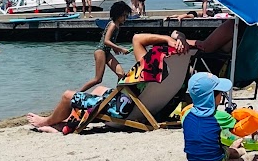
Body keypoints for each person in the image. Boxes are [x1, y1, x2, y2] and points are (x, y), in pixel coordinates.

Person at [29, 30, 187, 131]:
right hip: (149, 111)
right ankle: (65, 124)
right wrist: (181, 39)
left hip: (122, 113)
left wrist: (166, 38)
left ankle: (47, 122)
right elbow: (180, 36)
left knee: (67, 96)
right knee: (99, 90)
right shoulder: (178, 65)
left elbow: (137, 38)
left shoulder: (149, 68)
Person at [182, 72, 244, 161]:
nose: (222, 96)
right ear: (211, 97)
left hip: (193, 159)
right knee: (233, 152)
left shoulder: (186, 114)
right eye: (220, 93)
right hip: (215, 158)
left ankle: (230, 148)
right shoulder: (219, 116)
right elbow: (240, 126)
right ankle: (237, 151)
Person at [78, 0, 131, 93]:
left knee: (121, 74)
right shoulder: (113, 25)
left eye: (126, 16)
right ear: (117, 14)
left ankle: (117, 95)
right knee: (98, 79)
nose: (125, 18)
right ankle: (76, 95)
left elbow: (110, 40)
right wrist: (120, 49)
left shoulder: (117, 25)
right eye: (124, 16)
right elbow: (106, 41)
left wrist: (114, 48)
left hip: (106, 52)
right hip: (101, 51)